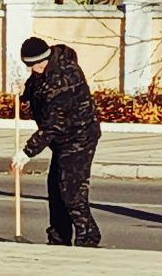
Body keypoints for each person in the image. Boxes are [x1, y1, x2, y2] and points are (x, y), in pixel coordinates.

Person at [11, 36, 102, 247]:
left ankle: (88, 237)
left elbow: (53, 125)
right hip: (61, 141)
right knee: (55, 190)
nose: (34, 70)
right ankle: (59, 238)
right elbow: (35, 90)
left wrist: (27, 153)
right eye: (30, 66)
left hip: (79, 137)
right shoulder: (43, 72)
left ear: (45, 59)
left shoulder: (65, 79)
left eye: (35, 65)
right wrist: (24, 93)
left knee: (71, 191)